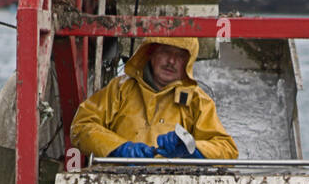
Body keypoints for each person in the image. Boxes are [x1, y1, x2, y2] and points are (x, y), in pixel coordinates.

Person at [70, 36, 238, 161]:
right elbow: (81, 126)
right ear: (150, 54)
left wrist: (192, 148)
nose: (171, 61)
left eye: (180, 55)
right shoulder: (119, 88)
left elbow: (228, 150)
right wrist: (119, 148)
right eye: (165, 51)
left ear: (188, 62)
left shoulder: (198, 100)